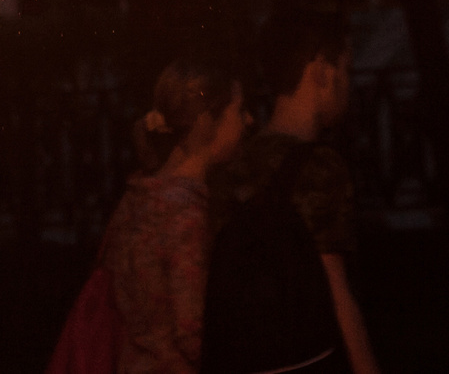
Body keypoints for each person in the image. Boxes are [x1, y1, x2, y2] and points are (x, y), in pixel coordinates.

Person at [206, 19, 379, 374]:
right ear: (320, 72)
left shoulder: (233, 165)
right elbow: (335, 288)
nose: (348, 83)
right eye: (344, 69)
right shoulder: (320, 165)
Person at [93, 57, 249, 374]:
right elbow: (193, 333)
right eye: (239, 110)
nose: (248, 121)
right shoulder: (186, 214)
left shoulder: (138, 195)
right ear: (208, 121)